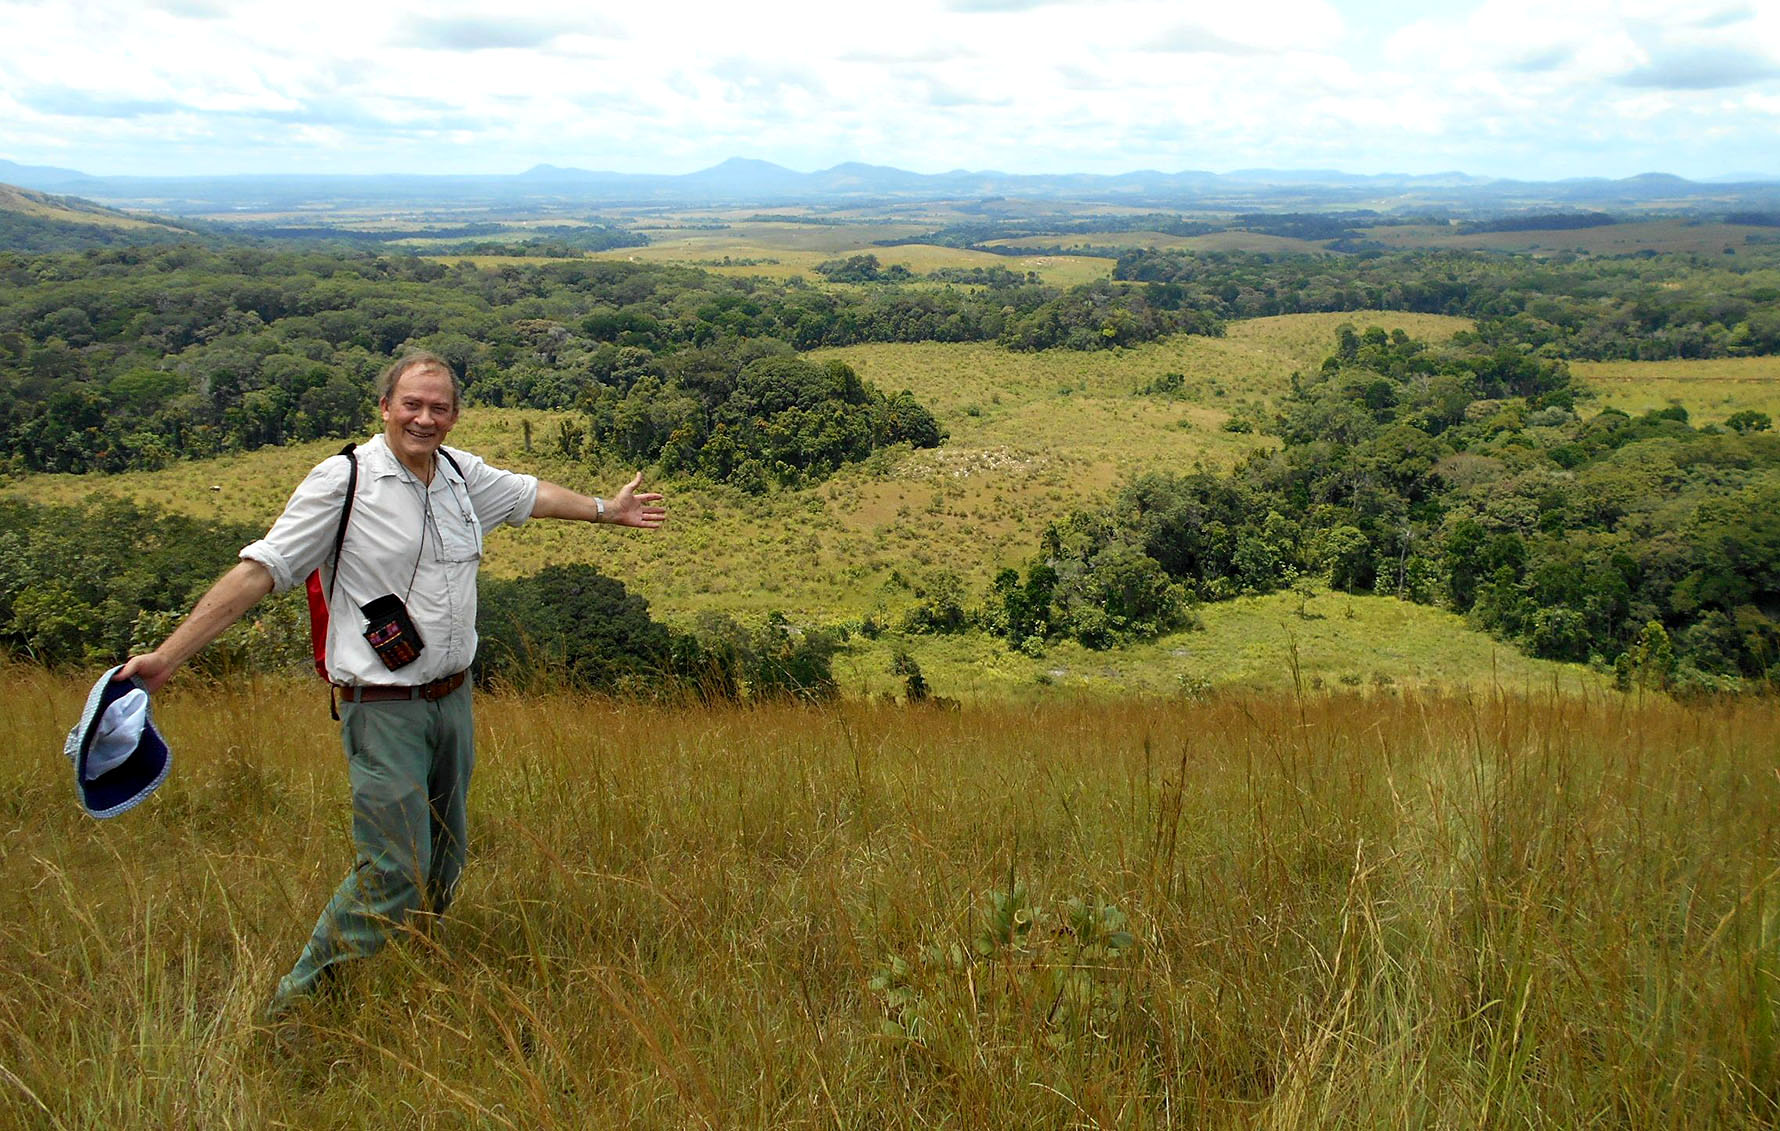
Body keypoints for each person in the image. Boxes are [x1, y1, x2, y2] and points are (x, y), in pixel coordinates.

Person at [117, 350, 665, 1015]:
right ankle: (298, 1005)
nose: (425, 418)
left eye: (439, 407)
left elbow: (532, 495)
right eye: (412, 403)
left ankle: (413, 971)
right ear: (384, 407)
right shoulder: (343, 480)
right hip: (382, 706)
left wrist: (607, 508)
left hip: (452, 697)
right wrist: (170, 656)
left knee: (445, 858)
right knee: (394, 868)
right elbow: (261, 570)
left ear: (455, 416)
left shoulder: (462, 476)